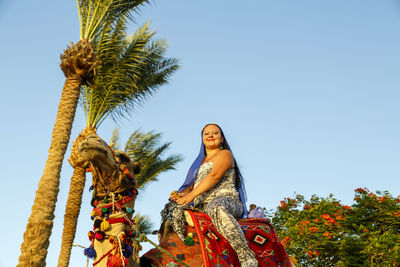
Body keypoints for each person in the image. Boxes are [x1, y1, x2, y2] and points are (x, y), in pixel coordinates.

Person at [163, 123, 258, 267]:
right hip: (201, 205)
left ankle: (246, 257)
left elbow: (214, 176)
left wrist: (190, 196)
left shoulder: (225, 154)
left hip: (226, 201)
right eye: (206, 133)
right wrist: (181, 196)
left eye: (215, 133)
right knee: (172, 214)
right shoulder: (198, 164)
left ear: (222, 138)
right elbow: (190, 187)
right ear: (202, 139)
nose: (210, 136)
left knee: (216, 207)